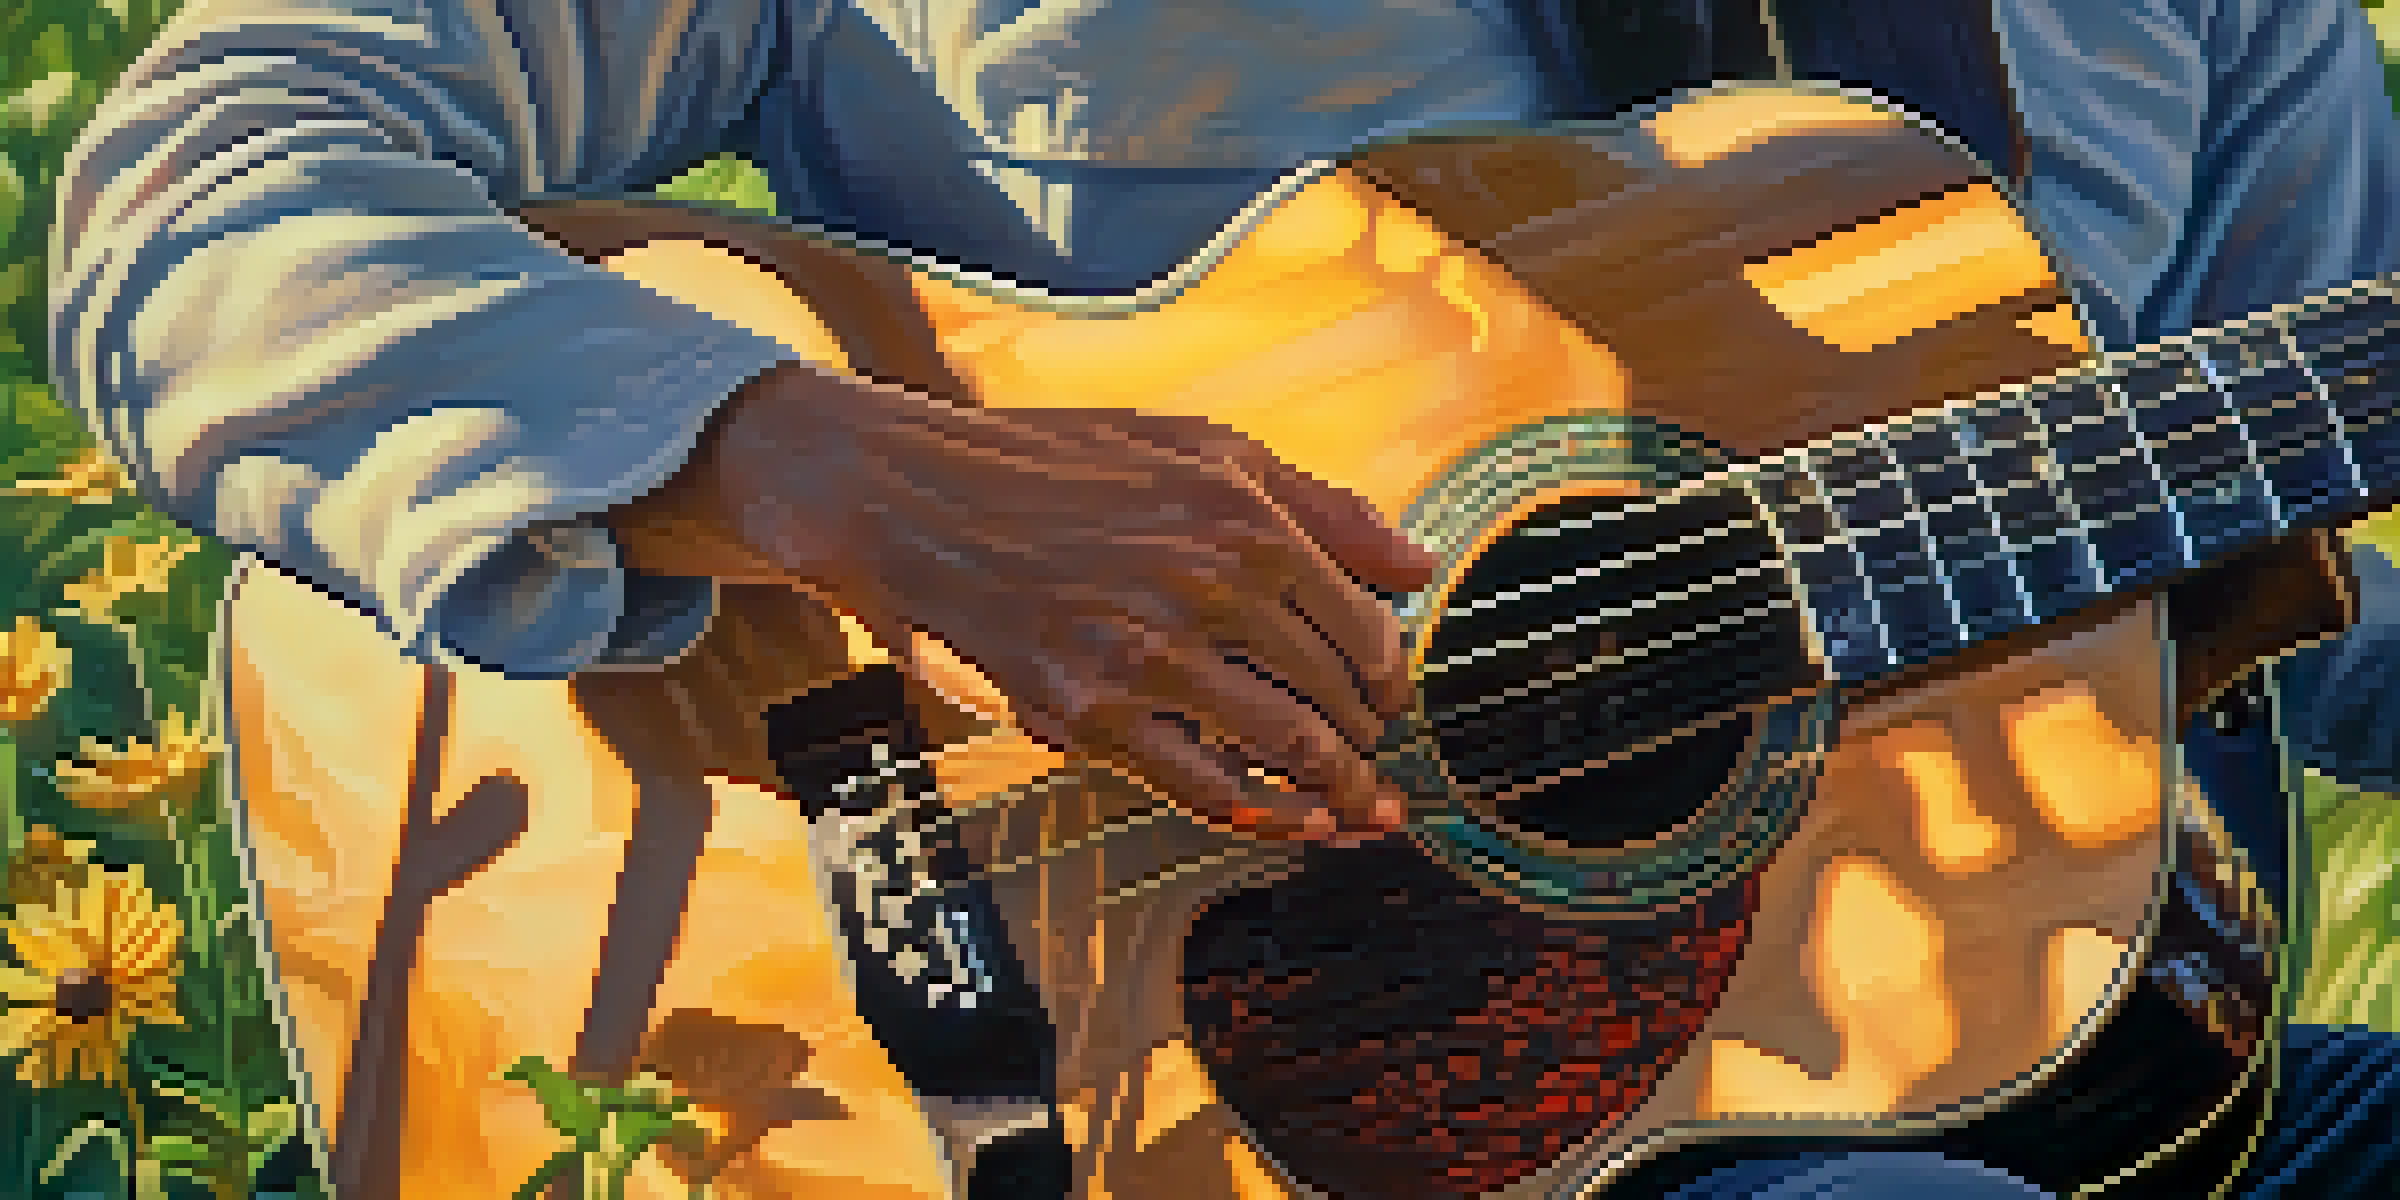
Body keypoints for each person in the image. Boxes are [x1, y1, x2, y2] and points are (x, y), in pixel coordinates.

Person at [45, 0, 2400, 1197]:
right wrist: (840, 474)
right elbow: (188, 197)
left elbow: (2361, 601)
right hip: (1158, 1099)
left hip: (2039, 1063)